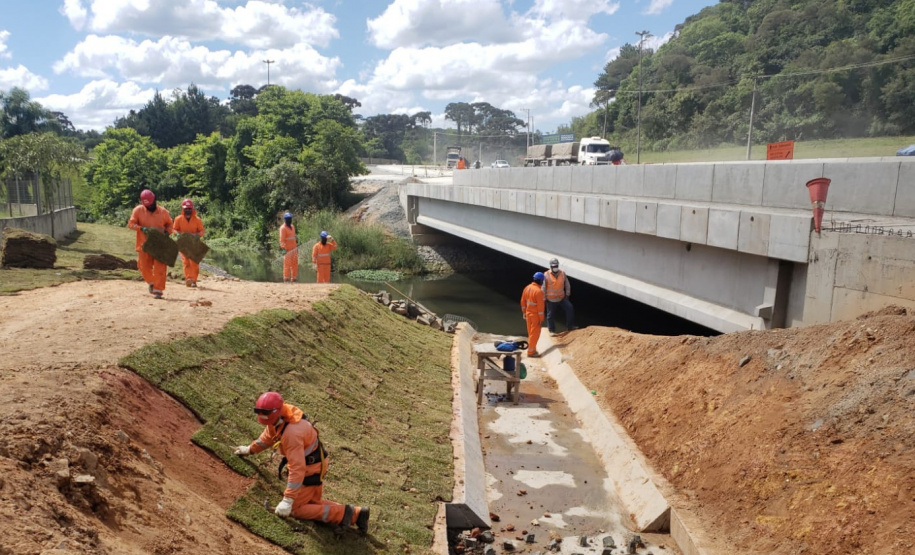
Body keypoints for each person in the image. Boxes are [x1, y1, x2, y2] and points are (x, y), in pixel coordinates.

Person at [234, 392, 370, 535]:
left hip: (311, 469)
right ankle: (358, 514)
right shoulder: (282, 416)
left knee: (296, 509)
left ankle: (343, 514)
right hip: (317, 463)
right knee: (311, 503)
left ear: (275, 412)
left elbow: (297, 468)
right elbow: (269, 436)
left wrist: (288, 500)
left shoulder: (291, 433)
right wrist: (250, 449)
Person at [127, 189, 173, 299]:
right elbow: (131, 224)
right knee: (143, 267)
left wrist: (166, 232)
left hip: (160, 245)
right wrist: (141, 228)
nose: (149, 207)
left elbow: (171, 225)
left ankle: (158, 290)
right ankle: (152, 282)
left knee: (160, 268)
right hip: (144, 245)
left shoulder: (163, 212)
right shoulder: (138, 210)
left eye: (151, 204)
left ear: (154, 200)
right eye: (147, 205)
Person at [172, 199, 204, 287]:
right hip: (183, 243)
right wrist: (178, 234)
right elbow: (174, 229)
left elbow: (202, 231)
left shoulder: (197, 219)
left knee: (194, 263)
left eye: (189, 209)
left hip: (194, 244)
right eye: (186, 209)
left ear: (192, 209)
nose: (188, 210)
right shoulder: (178, 219)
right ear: (183, 209)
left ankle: (194, 280)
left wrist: (197, 235)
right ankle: (188, 279)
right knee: (186, 262)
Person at [542, 257, 576, 335]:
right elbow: (543, 287)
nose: (555, 268)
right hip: (551, 299)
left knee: (570, 308)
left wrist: (567, 294)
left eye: (556, 266)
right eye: (554, 266)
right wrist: (544, 298)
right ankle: (551, 330)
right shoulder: (546, 274)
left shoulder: (562, 273)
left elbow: (567, 284)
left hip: (561, 298)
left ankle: (570, 327)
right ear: (550, 266)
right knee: (550, 315)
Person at [520, 272, 546, 358]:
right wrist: (541, 318)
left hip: (528, 314)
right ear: (541, 281)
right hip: (535, 316)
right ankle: (531, 352)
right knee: (534, 334)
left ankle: (532, 349)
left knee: (530, 333)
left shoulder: (527, 288)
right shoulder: (539, 292)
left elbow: (523, 301)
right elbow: (540, 308)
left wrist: (524, 312)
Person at [279, 212, 298, 283]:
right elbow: (282, 241)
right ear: (285, 219)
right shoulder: (283, 228)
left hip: (294, 248)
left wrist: (296, 248)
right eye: (288, 219)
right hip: (287, 249)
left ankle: (294, 278)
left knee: (295, 264)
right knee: (287, 264)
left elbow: (294, 238)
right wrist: (283, 251)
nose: (289, 220)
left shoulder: (292, 227)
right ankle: (286, 279)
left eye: (290, 219)